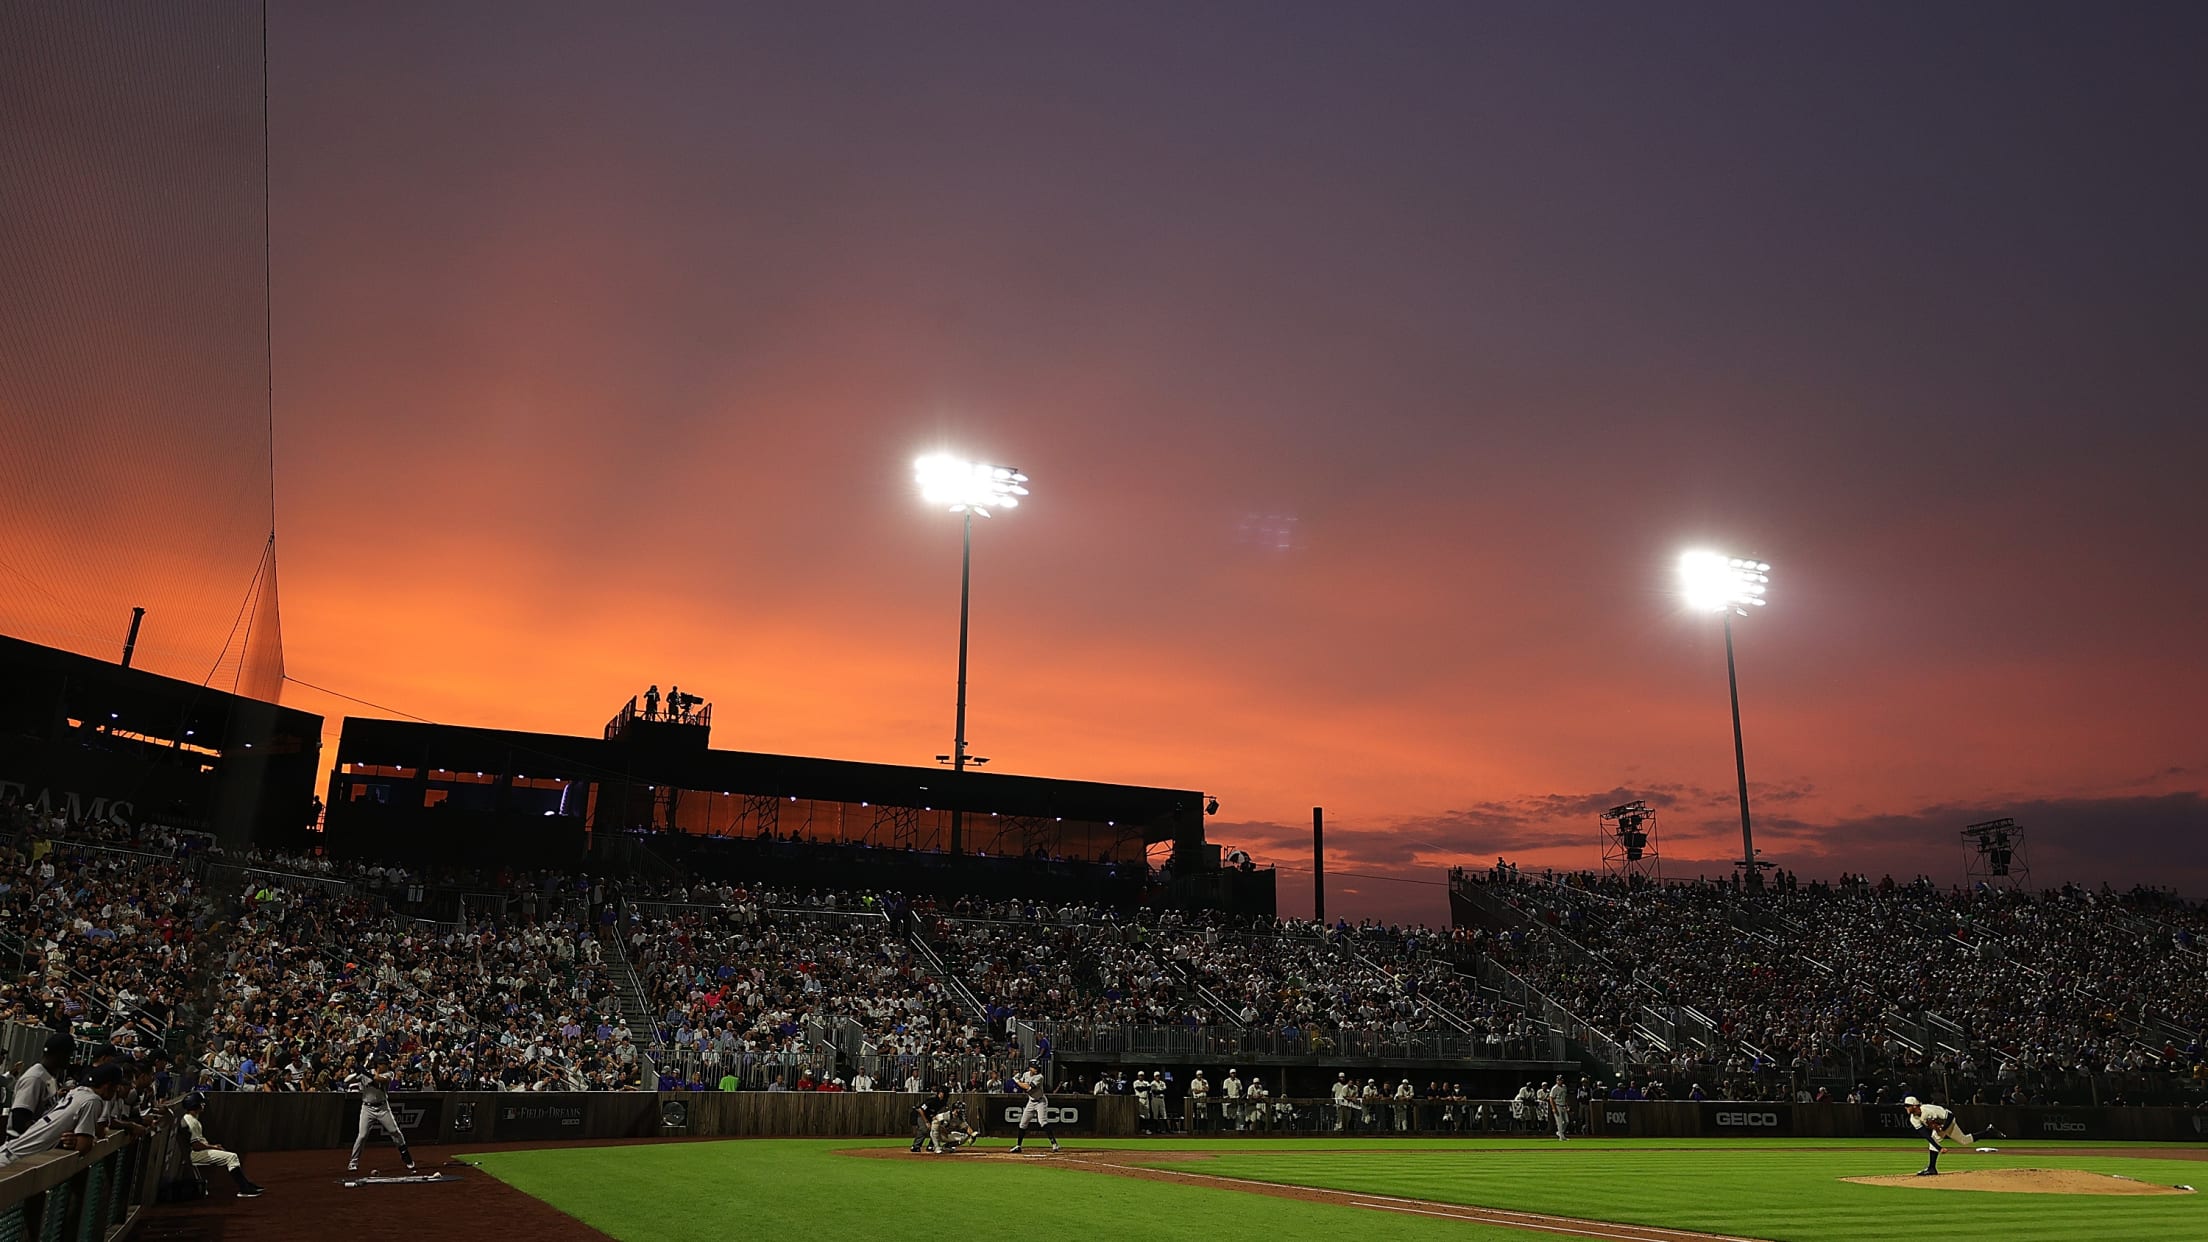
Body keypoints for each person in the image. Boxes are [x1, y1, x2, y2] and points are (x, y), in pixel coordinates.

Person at [0, 1063, 124, 1168]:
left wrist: (73, 1140)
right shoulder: (93, 1100)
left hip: (10, 1152)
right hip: (15, 1161)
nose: (117, 1090)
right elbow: (83, 1146)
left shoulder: (77, 1092)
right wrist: (80, 1141)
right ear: (108, 1086)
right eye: (117, 1086)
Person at [177, 1093, 265, 1197]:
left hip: (195, 1152)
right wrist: (213, 1147)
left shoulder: (190, 1118)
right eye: (201, 1103)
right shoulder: (190, 1121)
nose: (203, 1105)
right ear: (195, 1105)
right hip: (194, 1154)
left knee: (231, 1156)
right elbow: (196, 1145)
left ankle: (246, 1184)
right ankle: (244, 1189)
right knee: (232, 1157)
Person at [346, 1058, 416, 1173]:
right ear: (379, 1065)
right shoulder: (365, 1073)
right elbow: (346, 1080)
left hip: (383, 1108)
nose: (387, 1066)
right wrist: (358, 1072)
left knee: (395, 1131)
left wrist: (365, 1072)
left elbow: (379, 1079)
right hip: (367, 1108)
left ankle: (405, 1155)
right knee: (362, 1135)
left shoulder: (389, 1073)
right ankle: (353, 1162)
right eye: (384, 1064)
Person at [1903, 1095, 2002, 1176]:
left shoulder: (1928, 1109)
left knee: (1935, 1141)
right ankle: (1988, 1131)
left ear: (1915, 1105)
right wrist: (1939, 1147)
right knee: (1964, 1140)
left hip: (1948, 1121)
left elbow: (1950, 1116)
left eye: (1907, 1105)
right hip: (1941, 1126)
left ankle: (1932, 1168)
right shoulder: (1913, 1119)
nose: (1905, 1107)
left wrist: (1943, 1128)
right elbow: (1925, 1135)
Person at [7, 1033, 69, 1140]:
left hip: (35, 1143)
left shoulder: (48, 1076)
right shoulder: (34, 1078)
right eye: (68, 1054)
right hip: (21, 1145)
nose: (69, 1059)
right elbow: (20, 1121)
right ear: (60, 1054)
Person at [1008, 1060, 1060, 1154]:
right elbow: (1022, 1086)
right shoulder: (1026, 1074)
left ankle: (1054, 1144)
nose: (1036, 1069)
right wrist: (1019, 1080)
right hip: (1031, 1101)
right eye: (1034, 1068)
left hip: (1041, 1101)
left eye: (1037, 1068)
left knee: (1042, 1122)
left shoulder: (1040, 1077)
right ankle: (1018, 1146)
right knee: (1023, 1124)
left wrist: (1016, 1080)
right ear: (1030, 1068)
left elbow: (1028, 1087)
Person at [1550, 1074, 1572, 1141]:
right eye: (1558, 1080)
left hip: (1563, 1105)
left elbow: (1565, 1097)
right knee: (1559, 1122)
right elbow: (1551, 1098)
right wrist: (1554, 1108)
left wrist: (1567, 1105)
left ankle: (1559, 1132)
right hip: (1557, 1105)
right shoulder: (1554, 1088)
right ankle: (1561, 1137)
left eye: (1560, 1080)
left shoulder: (1564, 1087)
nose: (1559, 1081)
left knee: (1566, 1121)